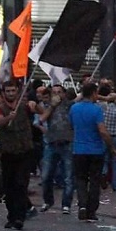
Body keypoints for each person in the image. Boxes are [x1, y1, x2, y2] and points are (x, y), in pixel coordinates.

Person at [69, 83, 116, 222]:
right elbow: (102, 130)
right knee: (95, 180)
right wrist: (111, 147)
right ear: (94, 93)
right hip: (95, 150)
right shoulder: (96, 110)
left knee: (81, 179)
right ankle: (92, 209)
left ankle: (82, 205)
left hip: (79, 149)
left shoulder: (74, 108)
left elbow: (72, 125)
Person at [0, 81, 35, 230]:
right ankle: (11, 216)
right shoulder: (0, 109)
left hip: (24, 151)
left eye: (13, 91)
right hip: (7, 153)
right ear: (4, 93)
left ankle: (19, 217)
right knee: (8, 186)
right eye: (8, 91)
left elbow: (40, 112)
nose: (11, 93)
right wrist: (8, 118)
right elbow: (0, 122)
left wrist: (33, 104)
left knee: (20, 184)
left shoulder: (23, 107)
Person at [39, 85, 74, 214]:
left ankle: (66, 204)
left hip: (67, 143)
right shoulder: (48, 106)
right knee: (46, 175)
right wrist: (52, 106)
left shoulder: (70, 106)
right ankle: (48, 200)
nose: (57, 95)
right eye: (54, 93)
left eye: (59, 92)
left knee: (68, 176)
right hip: (51, 143)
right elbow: (42, 118)